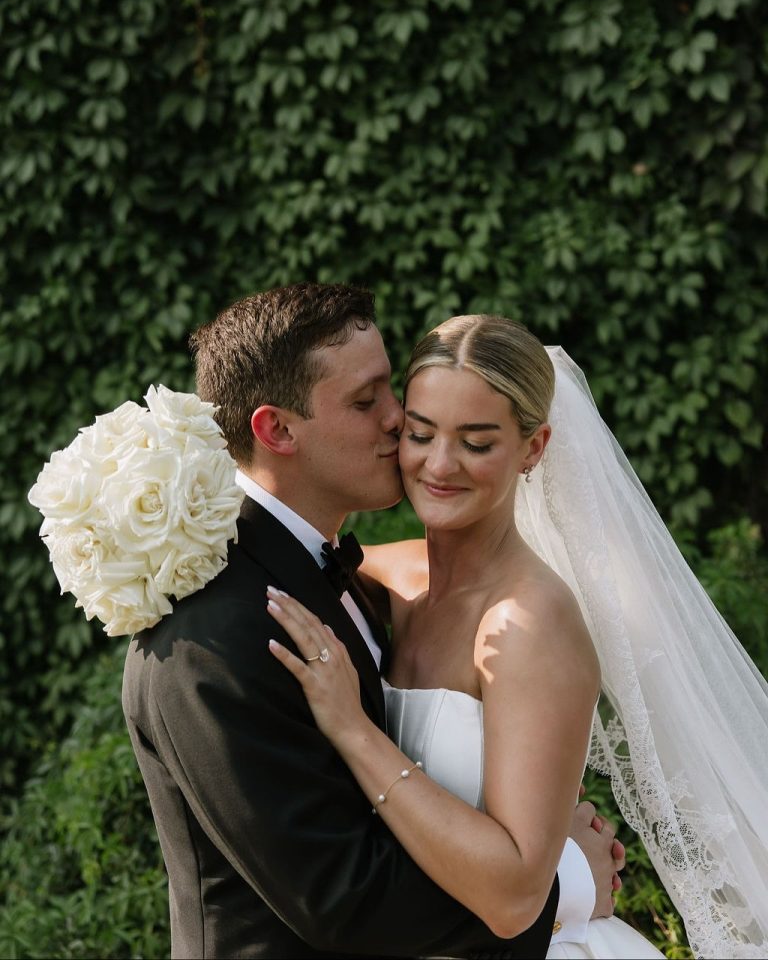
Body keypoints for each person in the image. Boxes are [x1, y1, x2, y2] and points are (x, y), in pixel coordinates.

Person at [122, 286, 620, 959]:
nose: (397, 420)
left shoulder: (335, 577)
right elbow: (342, 897)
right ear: (278, 430)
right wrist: (564, 884)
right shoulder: (217, 631)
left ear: (532, 449)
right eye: (367, 402)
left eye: (393, 393)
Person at [268, 314, 768, 960]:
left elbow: (515, 893)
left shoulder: (529, 624)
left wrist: (353, 730)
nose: (439, 465)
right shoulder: (398, 579)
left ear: (534, 448)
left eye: (477, 443)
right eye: (420, 434)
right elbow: (290, 549)